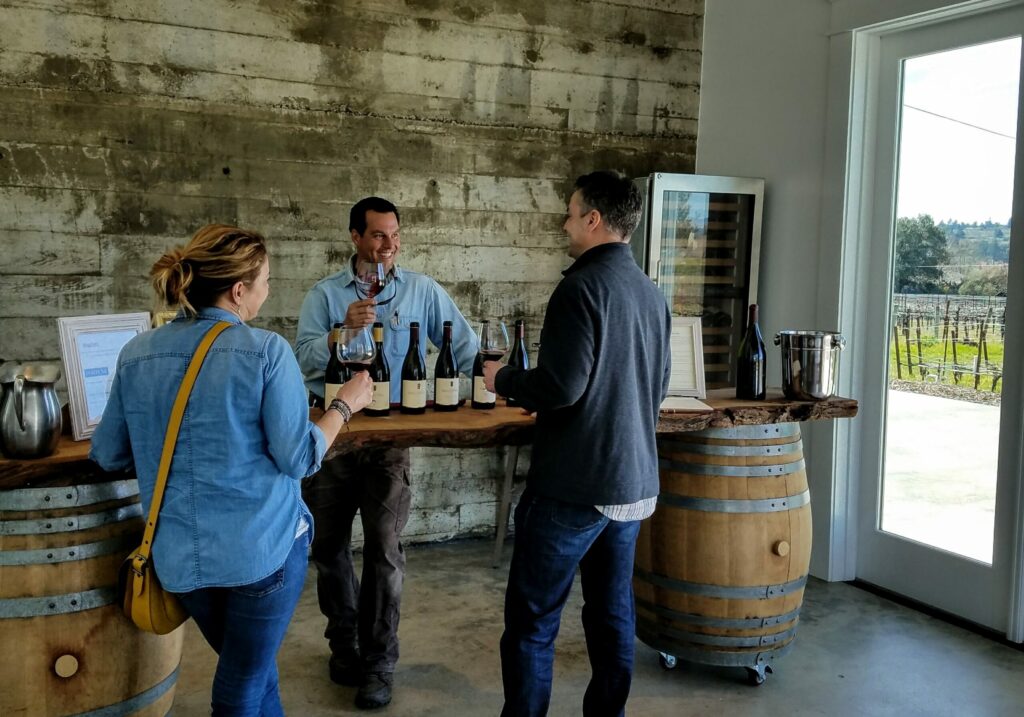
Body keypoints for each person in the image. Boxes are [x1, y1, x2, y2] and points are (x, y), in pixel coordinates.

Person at [90, 224, 373, 716]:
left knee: (254, 668)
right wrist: (344, 408)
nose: (268, 291)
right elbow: (299, 458)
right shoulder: (265, 351)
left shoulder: (135, 353)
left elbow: (110, 454)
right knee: (241, 681)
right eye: (266, 281)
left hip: (179, 561)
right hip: (258, 556)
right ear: (239, 291)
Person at [483, 171, 672, 717]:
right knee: (612, 616)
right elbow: (656, 388)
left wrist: (505, 380)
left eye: (570, 213)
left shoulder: (580, 287)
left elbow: (561, 388)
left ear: (593, 221)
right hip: (633, 486)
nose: (564, 224)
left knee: (533, 625)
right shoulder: (651, 294)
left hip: (574, 486)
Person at [295, 196, 478, 709]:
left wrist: (494, 382)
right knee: (327, 547)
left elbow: (464, 346)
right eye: (378, 236)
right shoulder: (325, 294)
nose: (389, 246)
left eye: (395, 235)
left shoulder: (422, 290)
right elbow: (299, 357)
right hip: (332, 438)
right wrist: (341, 332)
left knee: (384, 549)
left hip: (389, 442)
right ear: (355, 237)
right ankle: (344, 643)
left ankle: (379, 661)